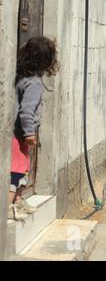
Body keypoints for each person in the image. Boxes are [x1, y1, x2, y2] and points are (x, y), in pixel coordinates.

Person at [8, 37, 59, 220]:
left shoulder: (20, 77)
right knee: (16, 171)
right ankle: (8, 205)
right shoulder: (34, 83)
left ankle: (18, 201)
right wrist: (29, 133)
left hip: (14, 134)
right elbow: (26, 111)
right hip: (20, 135)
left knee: (22, 168)